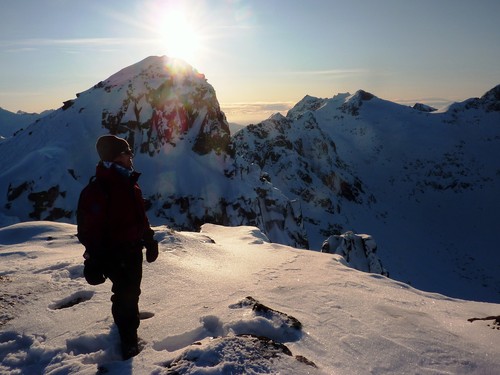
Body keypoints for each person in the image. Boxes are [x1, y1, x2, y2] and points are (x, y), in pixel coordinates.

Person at [77, 134, 158, 360]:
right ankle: (129, 343)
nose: (131, 156)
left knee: (131, 292)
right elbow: (88, 228)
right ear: (116, 157)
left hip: (133, 251)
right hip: (115, 254)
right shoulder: (99, 190)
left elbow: (139, 218)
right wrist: (93, 259)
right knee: (125, 296)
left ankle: (126, 323)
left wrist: (149, 239)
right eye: (126, 153)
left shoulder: (129, 183)